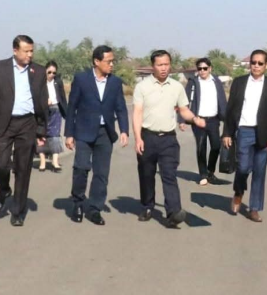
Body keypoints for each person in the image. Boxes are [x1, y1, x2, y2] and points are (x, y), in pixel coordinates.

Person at [0, 35, 49, 227]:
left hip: (27, 123)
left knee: (23, 168)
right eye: (26, 51)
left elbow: (42, 103)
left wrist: (41, 131)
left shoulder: (38, 71)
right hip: (4, 123)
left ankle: (18, 211)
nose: (30, 55)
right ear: (15, 50)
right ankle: (4, 189)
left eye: (32, 51)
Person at [133, 50, 205, 228]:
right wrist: (138, 138)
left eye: (166, 64)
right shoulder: (142, 87)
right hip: (148, 136)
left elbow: (183, 110)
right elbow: (137, 113)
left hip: (168, 139)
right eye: (160, 65)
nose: (164, 68)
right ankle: (147, 206)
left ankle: (173, 212)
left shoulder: (177, 86)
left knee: (169, 175)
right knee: (146, 174)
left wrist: (194, 119)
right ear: (153, 66)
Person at [65, 46, 129, 226]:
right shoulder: (81, 79)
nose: (112, 64)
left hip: (105, 133)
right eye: (109, 61)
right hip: (83, 131)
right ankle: (78, 203)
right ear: (96, 61)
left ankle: (95, 209)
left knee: (101, 173)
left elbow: (121, 108)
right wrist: (69, 134)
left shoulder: (115, 82)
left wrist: (124, 130)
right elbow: (72, 107)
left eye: (113, 61)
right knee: (81, 168)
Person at [222, 49, 267, 223]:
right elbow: (230, 109)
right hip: (244, 131)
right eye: (253, 62)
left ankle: (254, 209)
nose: (256, 66)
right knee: (242, 168)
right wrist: (227, 133)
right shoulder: (239, 82)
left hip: (264, 134)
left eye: (260, 63)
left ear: (266, 65)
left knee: (259, 171)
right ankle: (238, 192)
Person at [178, 58, 227, 185]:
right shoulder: (193, 83)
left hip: (213, 119)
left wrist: (227, 117)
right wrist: (182, 119)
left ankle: (211, 172)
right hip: (198, 120)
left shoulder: (216, 82)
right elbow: (184, 102)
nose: (202, 71)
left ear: (210, 68)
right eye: (199, 68)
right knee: (201, 147)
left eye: (205, 68)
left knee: (216, 146)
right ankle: (203, 175)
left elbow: (222, 100)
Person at [36, 61, 67, 173]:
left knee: (55, 135)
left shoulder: (58, 82)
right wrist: (44, 102)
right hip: (42, 111)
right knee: (41, 134)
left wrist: (66, 112)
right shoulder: (39, 82)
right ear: (45, 71)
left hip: (56, 109)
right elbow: (35, 97)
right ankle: (42, 161)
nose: (51, 74)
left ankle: (55, 161)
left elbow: (62, 97)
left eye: (54, 73)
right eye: (49, 72)